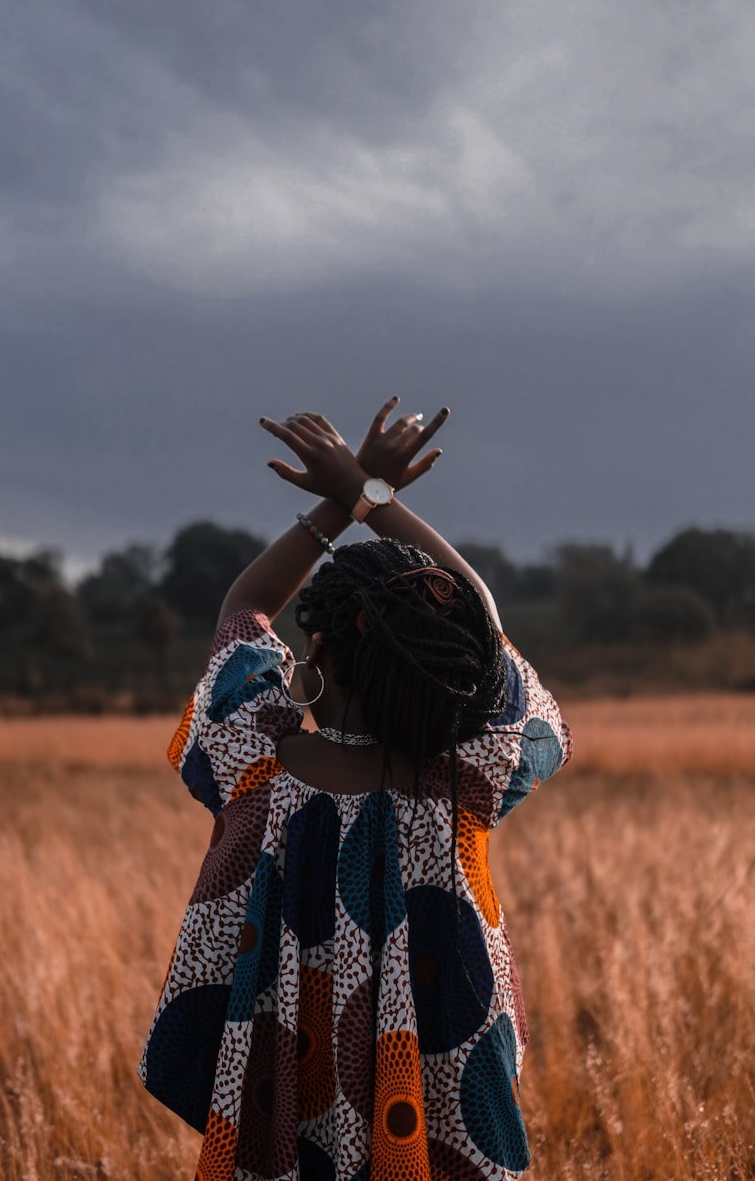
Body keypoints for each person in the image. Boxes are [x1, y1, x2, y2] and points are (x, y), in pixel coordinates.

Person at [137, 397, 573, 1181]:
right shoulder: (464, 780)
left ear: (319, 653)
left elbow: (244, 608)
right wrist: (377, 500)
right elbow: (486, 626)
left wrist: (338, 505)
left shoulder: (255, 767)